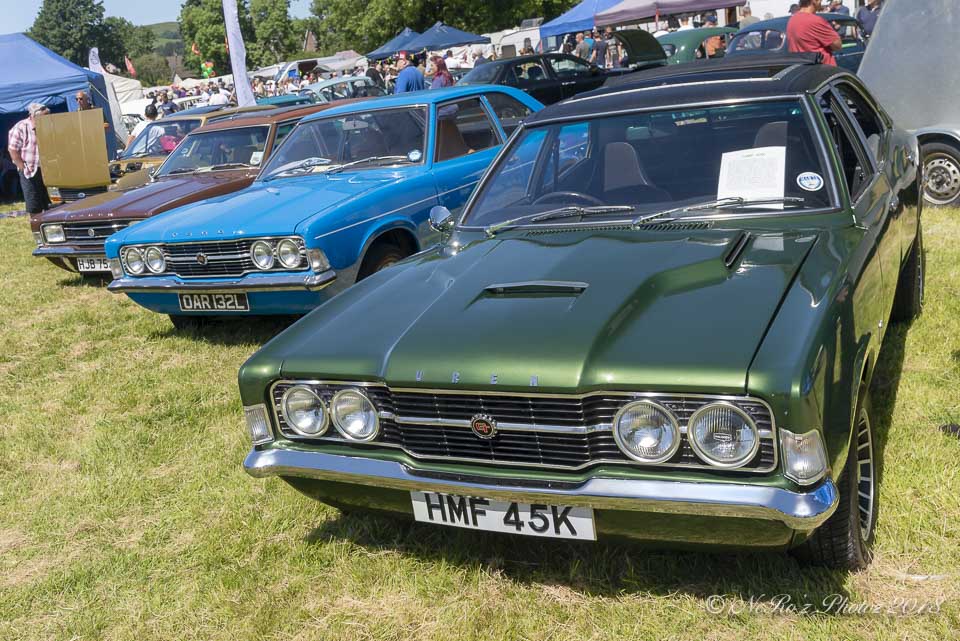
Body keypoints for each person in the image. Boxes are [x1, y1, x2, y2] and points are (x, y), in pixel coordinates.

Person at [7, 103, 51, 214]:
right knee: (34, 205)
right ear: (33, 116)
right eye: (43, 117)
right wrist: (22, 167)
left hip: (48, 170)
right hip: (30, 170)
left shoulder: (48, 125)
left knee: (50, 204)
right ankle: (36, 224)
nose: (46, 119)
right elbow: (12, 149)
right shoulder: (21, 127)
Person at [787, 0, 842, 65]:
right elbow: (838, 45)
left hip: (804, 67)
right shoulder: (816, 21)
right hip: (824, 68)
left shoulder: (792, 20)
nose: (821, 1)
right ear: (814, 1)